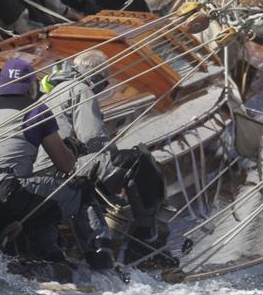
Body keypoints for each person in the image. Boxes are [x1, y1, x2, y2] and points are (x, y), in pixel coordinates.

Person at [0, 58, 112, 268]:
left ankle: (47, 257)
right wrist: (74, 149)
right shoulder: (34, 110)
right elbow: (66, 165)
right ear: (31, 87)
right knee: (80, 188)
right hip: (9, 195)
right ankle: (103, 266)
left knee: (38, 197)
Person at [36, 50, 168, 265]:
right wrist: (118, 167)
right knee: (138, 159)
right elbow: (94, 139)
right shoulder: (79, 89)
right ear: (96, 77)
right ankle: (146, 235)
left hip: (42, 170)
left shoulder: (48, 93)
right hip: (60, 169)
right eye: (103, 80)